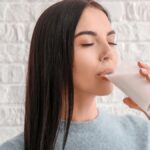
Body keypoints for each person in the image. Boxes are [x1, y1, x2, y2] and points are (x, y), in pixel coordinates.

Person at [0, 0, 150, 150]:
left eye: (111, 42)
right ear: (53, 56)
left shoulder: (141, 133)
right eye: (88, 43)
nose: (108, 53)